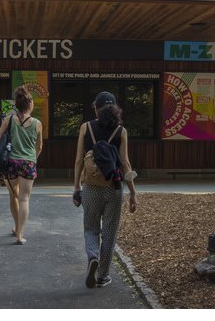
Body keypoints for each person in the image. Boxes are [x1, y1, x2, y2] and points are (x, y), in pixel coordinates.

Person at [72, 92, 137, 289]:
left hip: (91, 187)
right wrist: (133, 192)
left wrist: (76, 188)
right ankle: (102, 276)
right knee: (109, 232)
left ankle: (93, 256)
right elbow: (125, 163)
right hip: (113, 188)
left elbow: (78, 161)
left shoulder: (86, 127)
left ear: (95, 108)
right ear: (115, 108)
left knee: (91, 228)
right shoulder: (121, 131)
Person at [0, 86, 42, 244]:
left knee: (13, 196)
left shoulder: (8, 119)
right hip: (28, 163)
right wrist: (32, 159)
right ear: (30, 104)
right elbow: (40, 146)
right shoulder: (37, 123)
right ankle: (20, 235)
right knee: (24, 199)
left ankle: (16, 227)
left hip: (11, 163)